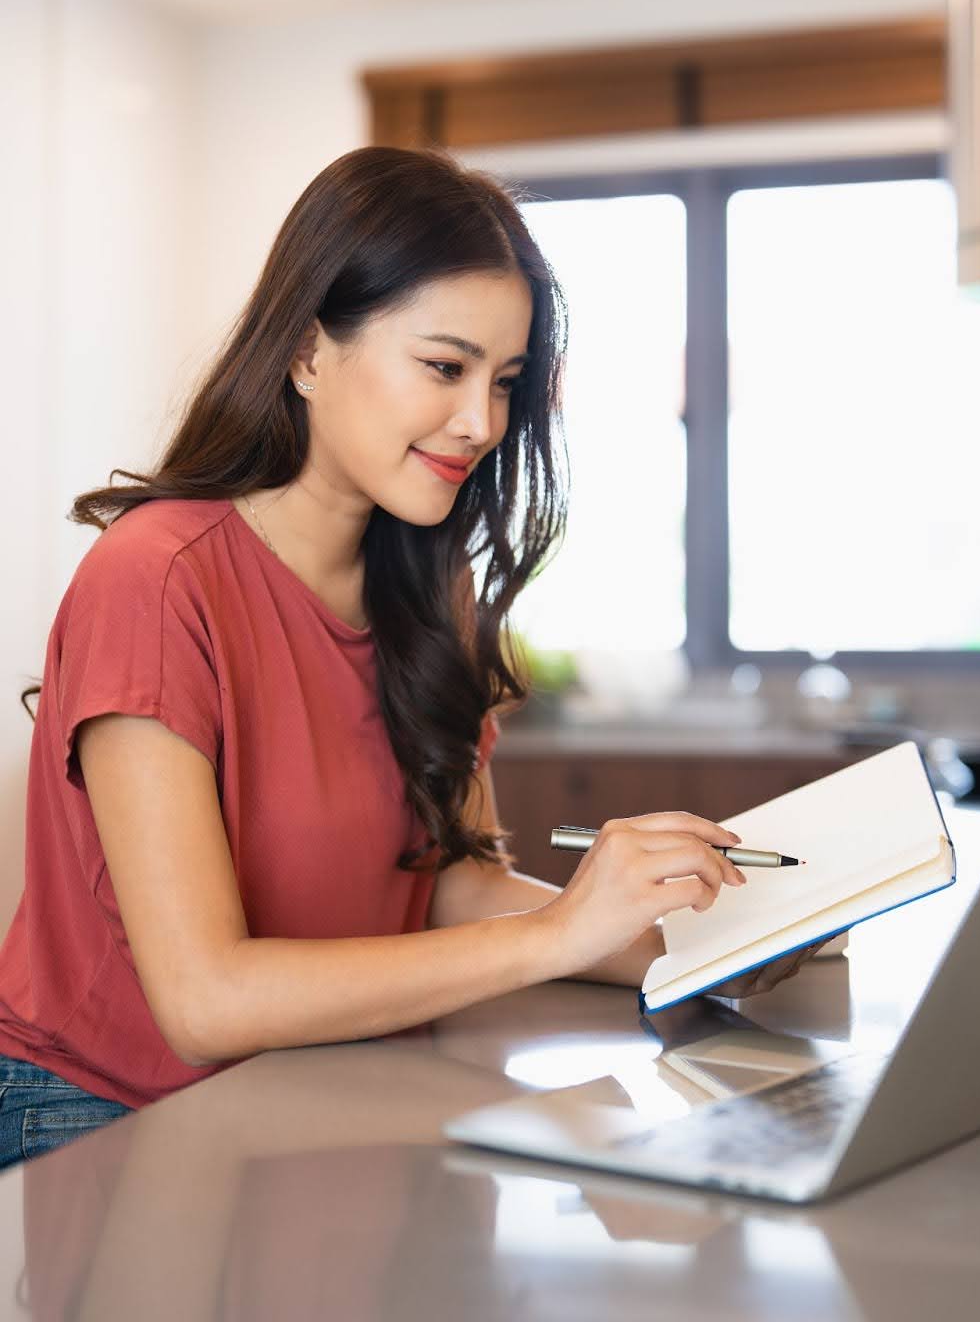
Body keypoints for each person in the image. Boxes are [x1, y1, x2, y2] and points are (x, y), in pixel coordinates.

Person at [0, 145, 817, 1172]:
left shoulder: (433, 590)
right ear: (306, 351)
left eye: (507, 381)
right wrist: (562, 933)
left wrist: (694, 942)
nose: (482, 422)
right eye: (444, 366)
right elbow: (203, 1003)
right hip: (109, 1118)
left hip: (324, 1083)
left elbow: (449, 888)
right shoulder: (156, 579)